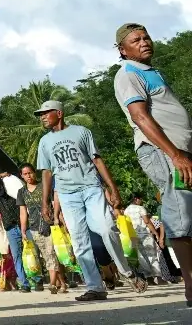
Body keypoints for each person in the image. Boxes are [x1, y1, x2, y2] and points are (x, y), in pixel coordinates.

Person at [35, 100, 147, 301]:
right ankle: (95, 287)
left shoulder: (81, 132)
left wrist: (113, 188)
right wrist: (45, 203)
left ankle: (126, 270)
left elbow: (97, 160)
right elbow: (47, 172)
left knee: (106, 228)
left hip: (90, 188)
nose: (42, 117)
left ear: (59, 113)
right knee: (79, 241)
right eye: (40, 114)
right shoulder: (44, 142)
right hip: (67, 194)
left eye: (46, 113)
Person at [114, 23, 192, 306]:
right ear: (123, 50)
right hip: (163, 152)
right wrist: (175, 154)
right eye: (136, 40)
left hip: (178, 152)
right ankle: (191, 286)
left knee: (188, 211)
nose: (144, 42)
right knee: (180, 212)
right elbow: (140, 117)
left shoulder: (151, 72)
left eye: (146, 37)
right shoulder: (128, 74)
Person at [17, 164, 66, 293]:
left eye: (30, 173)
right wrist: (23, 230)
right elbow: (23, 212)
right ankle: (62, 283)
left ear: (35, 173)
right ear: (21, 176)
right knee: (46, 255)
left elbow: (55, 201)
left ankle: (52, 284)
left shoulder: (44, 186)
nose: (29, 176)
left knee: (50, 253)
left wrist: (58, 218)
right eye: (25, 174)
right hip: (34, 227)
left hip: (49, 224)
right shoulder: (21, 192)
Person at [0, 172, 34, 292]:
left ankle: (33, 281)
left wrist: (0, 177)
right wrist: (0, 175)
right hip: (12, 228)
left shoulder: (13, 193)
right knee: (19, 256)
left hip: (20, 226)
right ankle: (25, 283)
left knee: (27, 254)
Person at [124, 195, 164, 284]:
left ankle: (148, 277)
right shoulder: (140, 208)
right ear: (135, 199)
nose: (141, 200)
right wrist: (155, 233)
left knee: (140, 256)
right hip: (144, 234)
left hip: (133, 236)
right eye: (140, 198)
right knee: (152, 254)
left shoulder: (126, 210)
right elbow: (147, 221)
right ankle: (158, 276)